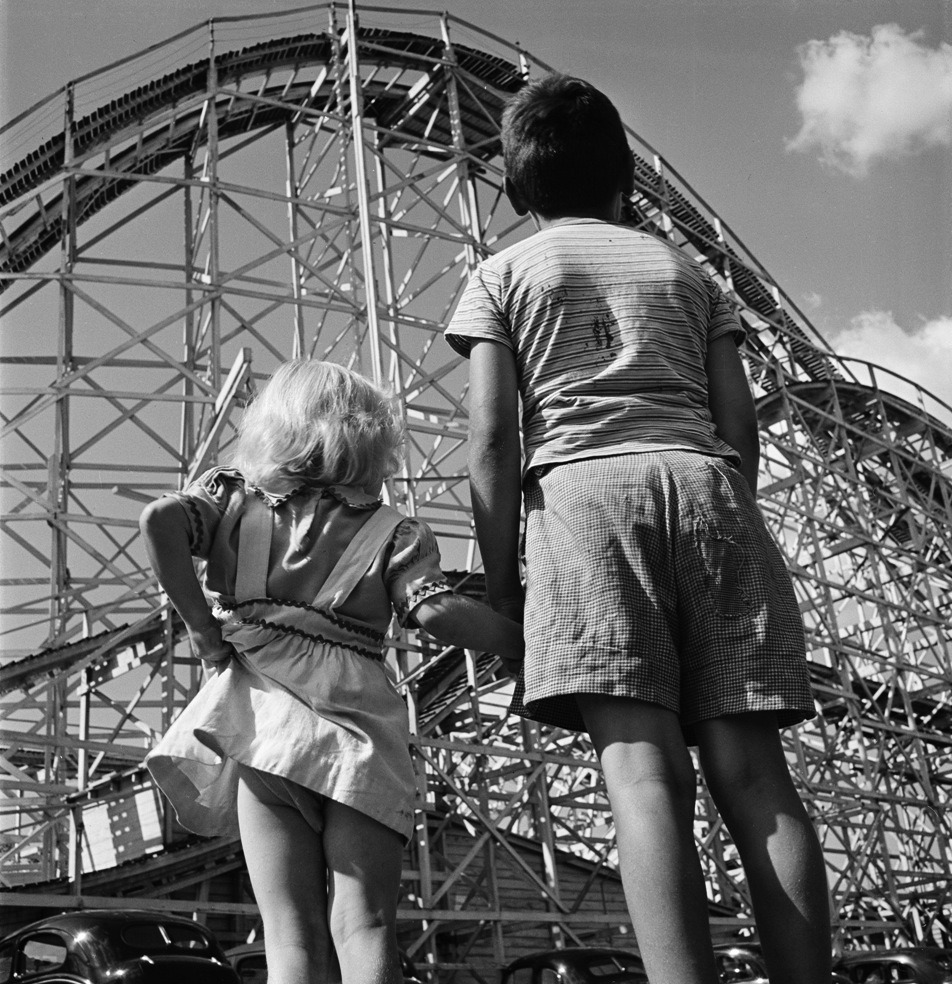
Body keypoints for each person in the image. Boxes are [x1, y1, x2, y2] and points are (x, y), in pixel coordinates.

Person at [444, 74, 831, 984]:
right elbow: (740, 424)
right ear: (627, 183)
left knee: (644, 776)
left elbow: (493, 436)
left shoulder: (504, 272)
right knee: (756, 776)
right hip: (709, 488)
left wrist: (503, 585)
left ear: (517, 189)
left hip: (583, 500)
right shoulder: (685, 270)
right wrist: (728, 507)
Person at [142, 359, 524, 984]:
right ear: (373, 438)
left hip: (265, 726)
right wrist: (521, 640)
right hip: (360, 733)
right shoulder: (395, 531)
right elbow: (435, 614)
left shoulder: (230, 501)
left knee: (289, 941)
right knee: (365, 924)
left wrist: (203, 630)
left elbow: (158, 520)